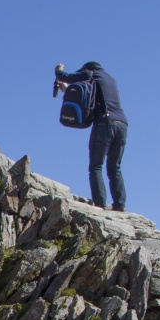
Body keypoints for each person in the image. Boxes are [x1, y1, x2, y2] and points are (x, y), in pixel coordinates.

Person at [53, 60, 128, 211]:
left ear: (87, 68)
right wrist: (66, 90)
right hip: (122, 124)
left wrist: (58, 70)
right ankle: (119, 205)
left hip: (104, 124)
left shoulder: (90, 73)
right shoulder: (110, 79)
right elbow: (90, 97)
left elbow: (67, 76)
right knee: (115, 168)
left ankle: (99, 205)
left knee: (95, 166)